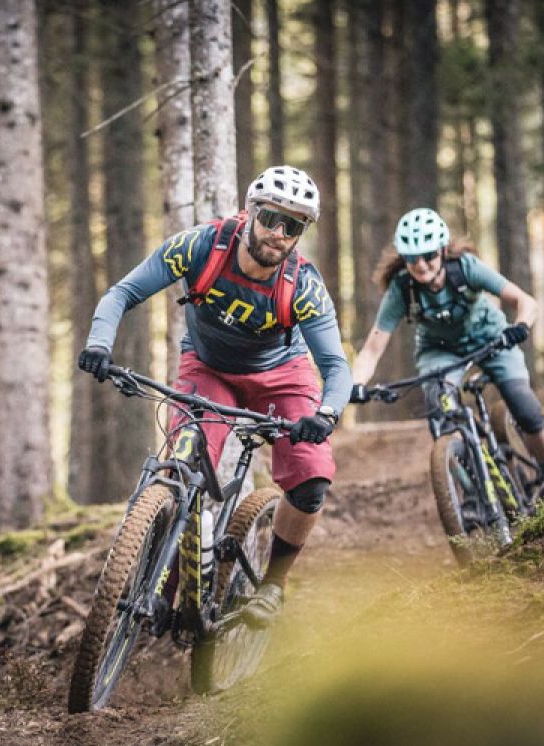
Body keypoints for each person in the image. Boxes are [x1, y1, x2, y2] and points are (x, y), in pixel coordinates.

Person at [77, 165, 351, 628]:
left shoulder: (302, 285)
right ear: (249, 212)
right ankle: (165, 585)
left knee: (311, 480)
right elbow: (122, 293)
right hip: (208, 369)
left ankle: (273, 587)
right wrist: (99, 344)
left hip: (281, 376)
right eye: (270, 218)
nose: (278, 233)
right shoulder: (200, 247)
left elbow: (336, 366)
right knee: (182, 467)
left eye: (294, 226)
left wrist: (326, 413)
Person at [352, 207, 544, 503]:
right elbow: (371, 350)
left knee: (526, 407)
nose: (420, 265)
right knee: (440, 412)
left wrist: (520, 326)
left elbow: (525, 301)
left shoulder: (466, 268)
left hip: (492, 339)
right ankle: (471, 493)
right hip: (440, 352)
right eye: (411, 258)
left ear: (443, 250)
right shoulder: (401, 289)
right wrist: (355, 385)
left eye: (428, 255)